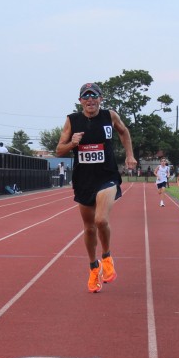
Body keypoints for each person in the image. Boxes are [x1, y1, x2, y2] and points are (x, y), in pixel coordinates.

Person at [55, 82, 137, 293]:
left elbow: (124, 132)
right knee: (89, 227)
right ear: (80, 101)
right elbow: (59, 150)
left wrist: (130, 155)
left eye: (94, 95)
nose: (90, 99)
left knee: (101, 219)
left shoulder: (110, 116)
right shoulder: (72, 120)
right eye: (85, 96)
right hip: (83, 180)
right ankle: (94, 267)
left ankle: (107, 256)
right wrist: (72, 143)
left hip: (107, 176)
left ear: (101, 98)